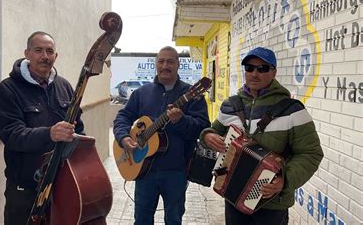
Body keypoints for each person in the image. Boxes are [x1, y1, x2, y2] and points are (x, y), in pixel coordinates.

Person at [201, 47, 323, 225]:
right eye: (249, 68)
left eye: (262, 68)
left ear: (274, 72)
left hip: (272, 203)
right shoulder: (230, 105)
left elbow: (311, 153)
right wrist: (207, 136)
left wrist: (285, 181)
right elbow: (214, 131)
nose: (254, 73)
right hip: (232, 195)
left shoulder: (292, 110)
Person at [0, 31, 85, 225]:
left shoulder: (65, 87)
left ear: (56, 56)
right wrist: (50, 134)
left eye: (49, 51)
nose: (45, 56)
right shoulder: (9, 88)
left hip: (60, 184)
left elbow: (80, 129)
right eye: (38, 50)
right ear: (27, 53)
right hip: (25, 188)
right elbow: (11, 134)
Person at [113, 46, 210, 225]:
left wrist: (181, 121)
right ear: (156, 64)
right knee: (141, 220)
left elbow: (202, 129)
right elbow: (123, 117)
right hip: (144, 171)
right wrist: (123, 137)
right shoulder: (142, 93)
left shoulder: (193, 95)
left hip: (176, 171)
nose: (165, 66)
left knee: (173, 220)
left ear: (178, 64)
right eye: (161, 61)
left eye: (170, 61)